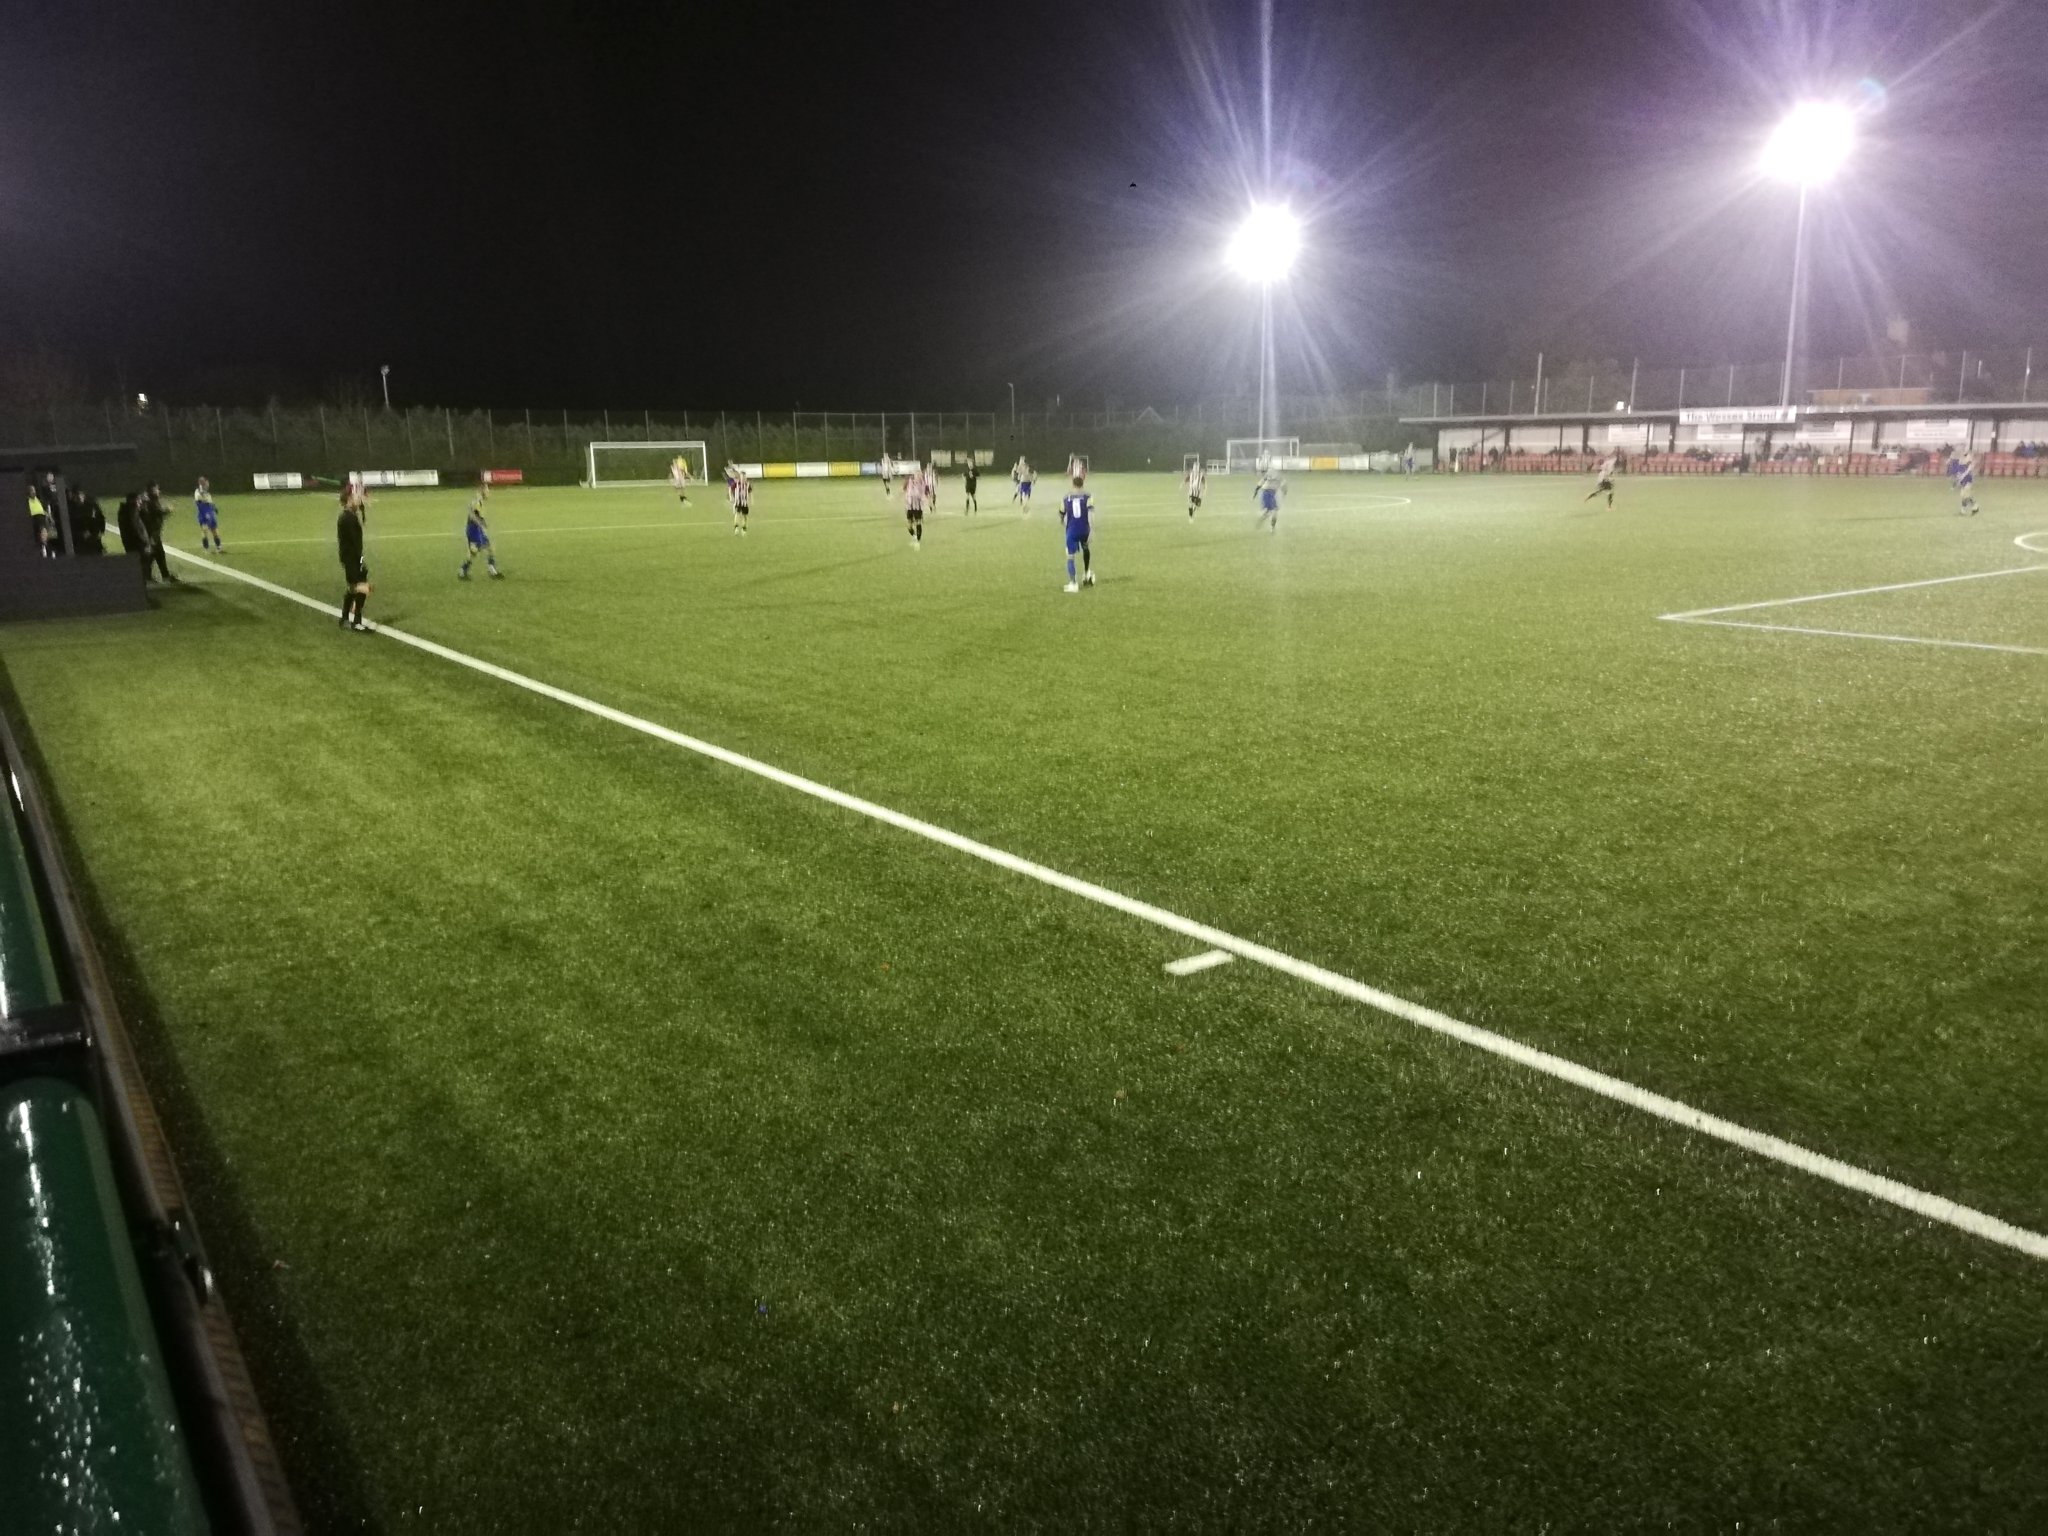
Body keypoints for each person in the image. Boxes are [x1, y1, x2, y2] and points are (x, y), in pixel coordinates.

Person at [337, 484, 371, 630]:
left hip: (351, 558)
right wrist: (361, 562)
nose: (359, 500)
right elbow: (356, 545)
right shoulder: (348, 518)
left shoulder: (348, 516)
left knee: (352, 588)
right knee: (362, 588)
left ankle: (345, 619)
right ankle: (356, 621)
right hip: (352, 558)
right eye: (356, 497)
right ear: (349, 499)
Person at [1059, 473, 1094, 591]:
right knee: (1086, 548)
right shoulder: (1088, 497)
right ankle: (1086, 573)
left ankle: (1073, 583)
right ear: (1082, 485)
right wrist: (1091, 530)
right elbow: (1090, 514)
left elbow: (1061, 514)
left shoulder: (1066, 498)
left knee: (1070, 557)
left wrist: (1063, 522)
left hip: (1072, 531)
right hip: (1084, 530)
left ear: (1073, 485)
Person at [460, 481, 503, 578]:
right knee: (476, 551)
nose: (488, 492)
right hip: (474, 529)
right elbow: (473, 516)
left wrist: (482, 522)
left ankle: (491, 570)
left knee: (488, 547)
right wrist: (481, 523)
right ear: (482, 490)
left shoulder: (478, 500)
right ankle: (463, 571)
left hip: (475, 529)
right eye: (487, 489)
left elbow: (473, 513)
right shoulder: (477, 501)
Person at [139, 482, 175, 581]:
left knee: (159, 554)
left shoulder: (146, 499)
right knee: (151, 555)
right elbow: (155, 513)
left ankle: (164, 575)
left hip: (152, 532)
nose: (158, 491)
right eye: (156, 489)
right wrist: (168, 510)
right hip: (151, 533)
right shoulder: (149, 500)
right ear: (151, 490)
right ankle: (147, 576)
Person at [68, 486, 106, 555]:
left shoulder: (92, 505)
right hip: (80, 543)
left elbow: (100, 518)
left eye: (81, 494)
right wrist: (80, 534)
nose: (79, 497)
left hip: (94, 539)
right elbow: (70, 526)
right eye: (77, 495)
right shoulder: (71, 509)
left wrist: (101, 531)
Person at [1253, 458, 1285, 531]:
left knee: (1269, 512)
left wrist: (1255, 492)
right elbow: (1283, 486)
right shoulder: (1277, 476)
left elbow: (1260, 484)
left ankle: (1266, 523)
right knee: (1273, 511)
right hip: (1267, 493)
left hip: (1269, 493)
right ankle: (1271, 527)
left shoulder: (1271, 475)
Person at [194, 476, 223, 552]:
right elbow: (199, 503)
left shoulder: (207, 494)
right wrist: (205, 513)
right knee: (204, 530)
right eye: (205, 484)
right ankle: (206, 548)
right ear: (201, 484)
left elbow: (210, 502)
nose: (207, 485)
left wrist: (214, 508)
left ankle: (219, 547)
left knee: (214, 530)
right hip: (203, 513)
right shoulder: (197, 492)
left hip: (210, 513)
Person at [1949, 451, 1980, 516]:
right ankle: (1974, 508)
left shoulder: (1967, 465)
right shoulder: (1959, 466)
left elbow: (1967, 472)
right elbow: (1959, 477)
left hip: (1967, 481)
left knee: (1966, 497)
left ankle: (1970, 508)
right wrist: (1955, 484)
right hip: (1964, 482)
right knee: (1965, 497)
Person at [903, 463, 926, 549]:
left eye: (920, 475)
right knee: (909, 525)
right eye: (917, 475)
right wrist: (906, 502)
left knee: (918, 523)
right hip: (909, 506)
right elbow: (907, 492)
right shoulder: (910, 482)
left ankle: (918, 541)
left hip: (917, 507)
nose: (918, 476)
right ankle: (915, 536)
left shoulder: (922, 484)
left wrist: (922, 499)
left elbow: (920, 494)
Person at [729, 467, 752, 534]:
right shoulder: (736, 484)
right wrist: (731, 497)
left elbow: (750, 492)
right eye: (742, 477)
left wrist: (750, 500)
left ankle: (744, 529)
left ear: (745, 477)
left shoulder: (747, 485)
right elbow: (730, 489)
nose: (743, 478)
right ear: (740, 477)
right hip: (737, 502)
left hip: (745, 503)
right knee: (737, 514)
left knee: (745, 516)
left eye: (744, 477)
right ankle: (736, 527)